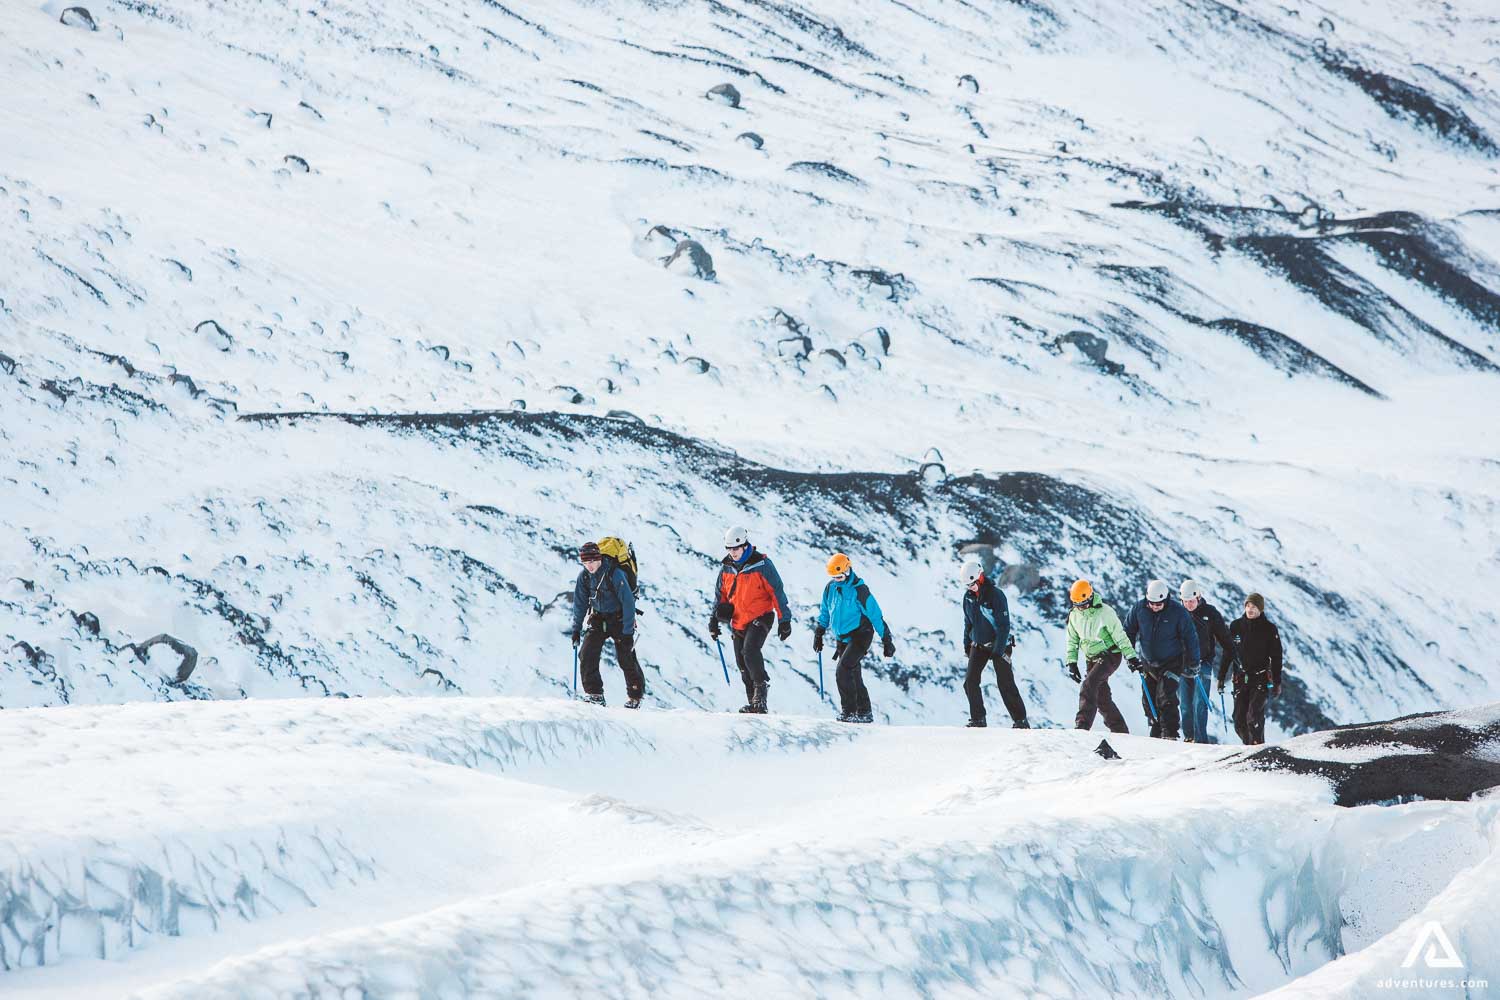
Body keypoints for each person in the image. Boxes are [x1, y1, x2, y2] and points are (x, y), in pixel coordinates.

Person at [709, 526, 793, 714]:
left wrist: (784, 620)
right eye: (729, 549)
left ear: (745, 545)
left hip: (761, 616)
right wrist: (713, 621)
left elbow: (776, 592)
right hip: (738, 621)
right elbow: (720, 595)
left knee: (750, 651)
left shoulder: (762, 565)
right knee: (741, 662)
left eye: (736, 549)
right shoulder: (726, 568)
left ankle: (761, 693)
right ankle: (753, 704)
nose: (733, 553)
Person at [814, 553, 894, 723]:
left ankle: (849, 712)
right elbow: (825, 611)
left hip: (861, 635)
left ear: (848, 570)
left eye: (840, 576)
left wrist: (886, 640)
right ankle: (864, 712)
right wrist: (819, 631)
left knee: (843, 671)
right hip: (842, 638)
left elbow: (875, 616)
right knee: (853, 675)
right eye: (834, 577)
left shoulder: (860, 590)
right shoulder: (830, 588)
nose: (837, 580)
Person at [570, 541, 645, 708]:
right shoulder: (584, 577)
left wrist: (627, 633)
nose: (589, 566)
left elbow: (628, 603)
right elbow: (580, 604)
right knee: (587, 653)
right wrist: (576, 629)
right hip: (598, 618)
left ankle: (635, 696)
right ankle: (595, 694)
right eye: (585, 562)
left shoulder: (615, 573)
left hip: (619, 618)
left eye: (591, 562)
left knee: (625, 656)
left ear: (599, 558)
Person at [1123, 579, 1200, 739]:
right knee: (1148, 699)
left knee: (1166, 696)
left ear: (1165, 600)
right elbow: (1128, 631)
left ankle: (1170, 734)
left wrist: (1194, 661)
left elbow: (1190, 637)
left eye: (1158, 604)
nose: (1155, 607)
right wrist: (1130, 656)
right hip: (1148, 663)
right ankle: (1156, 730)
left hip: (1171, 662)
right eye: (1151, 603)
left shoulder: (1177, 612)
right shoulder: (1139, 609)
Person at [960, 559, 1028, 728]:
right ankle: (978, 719)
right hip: (979, 645)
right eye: (968, 586)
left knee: (1005, 683)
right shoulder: (968, 598)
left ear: (980, 577)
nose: (971, 588)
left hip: (1000, 644)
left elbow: (1004, 626)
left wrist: (998, 651)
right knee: (970, 681)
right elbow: (968, 623)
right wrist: (967, 644)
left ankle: (1020, 721)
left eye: (973, 584)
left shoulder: (995, 595)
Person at [1063, 579, 1135, 733]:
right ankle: (1120, 730)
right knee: (1102, 699)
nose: (1081, 608)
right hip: (1092, 658)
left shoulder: (1105, 612)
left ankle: (1082, 725)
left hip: (1110, 655)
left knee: (1089, 685)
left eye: (1083, 604)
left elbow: (1120, 636)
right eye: (1077, 605)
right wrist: (1072, 663)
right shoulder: (1075, 616)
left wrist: (1131, 656)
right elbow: (1072, 640)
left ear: (1090, 598)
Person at [1218, 593, 1284, 745]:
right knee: (1239, 720)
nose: (1250, 609)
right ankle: (1250, 748)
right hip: (1240, 679)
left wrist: (1277, 681)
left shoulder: (1269, 629)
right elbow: (1228, 652)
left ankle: (1257, 746)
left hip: (1260, 679)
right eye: (1248, 606)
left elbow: (1276, 657)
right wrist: (1221, 677)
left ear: (1260, 609)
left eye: (1254, 607)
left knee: (1253, 716)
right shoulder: (1235, 626)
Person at [1178, 579, 1233, 743]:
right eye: (1185, 601)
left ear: (1199, 597)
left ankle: (1200, 742)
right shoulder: (1177, 614)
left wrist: (1231, 656)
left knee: (1199, 705)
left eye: (1191, 601)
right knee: (1186, 706)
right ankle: (1189, 738)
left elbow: (1224, 638)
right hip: (1183, 665)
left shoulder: (1210, 613)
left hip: (1204, 664)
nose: (1188, 605)